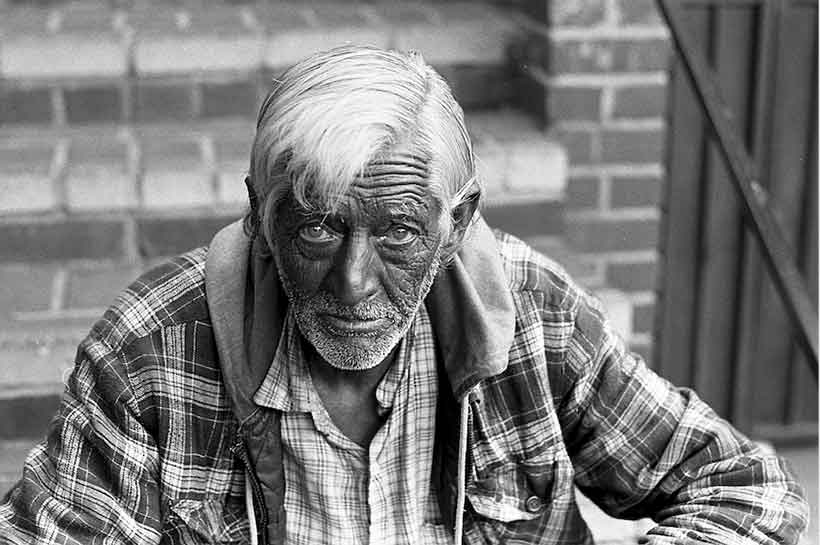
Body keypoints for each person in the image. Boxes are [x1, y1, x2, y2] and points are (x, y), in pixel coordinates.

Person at [0, 45, 808, 545]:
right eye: (319, 227)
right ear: (258, 216)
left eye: (398, 233)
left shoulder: (533, 314)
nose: (354, 281)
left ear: (457, 224)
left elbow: (746, 490)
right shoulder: (150, 350)